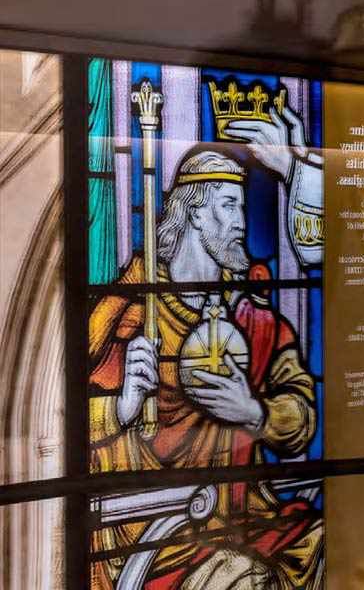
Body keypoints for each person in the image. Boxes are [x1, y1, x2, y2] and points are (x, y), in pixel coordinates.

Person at [89, 149, 322, 590]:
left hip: (243, 517)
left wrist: (254, 413)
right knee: (246, 577)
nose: (241, 223)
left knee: (323, 542)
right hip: (158, 533)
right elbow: (72, 431)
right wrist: (121, 408)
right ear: (195, 211)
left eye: (241, 208)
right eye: (229, 206)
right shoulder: (135, 316)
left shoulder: (253, 318)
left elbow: (302, 414)